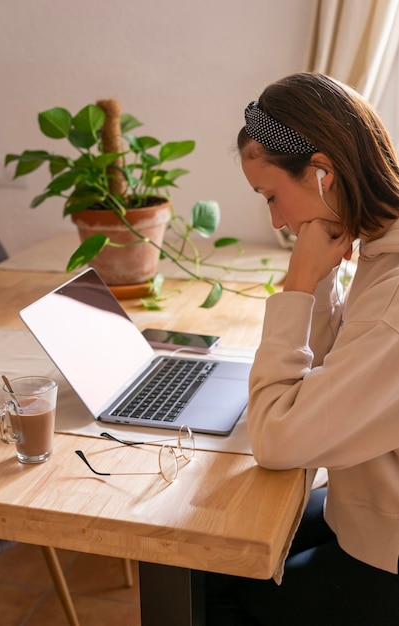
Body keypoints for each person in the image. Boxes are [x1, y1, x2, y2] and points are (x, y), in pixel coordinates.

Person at [205, 72, 399, 625]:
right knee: (228, 537)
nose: (278, 221)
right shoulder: (382, 246)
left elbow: (276, 437)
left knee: (211, 577)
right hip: (366, 505)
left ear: (320, 174)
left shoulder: (394, 300)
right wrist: (318, 279)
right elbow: (332, 367)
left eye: (272, 197)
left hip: (388, 553)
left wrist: (296, 288)